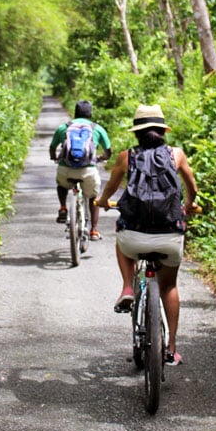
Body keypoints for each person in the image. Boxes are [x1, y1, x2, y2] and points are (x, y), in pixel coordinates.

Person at [97, 104, 198, 366]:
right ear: (163, 131)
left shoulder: (125, 157)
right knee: (169, 286)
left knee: (122, 237)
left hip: (134, 237)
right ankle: (171, 348)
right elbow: (192, 189)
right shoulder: (177, 155)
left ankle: (128, 286)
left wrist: (102, 202)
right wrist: (187, 207)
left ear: (137, 133)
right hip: (170, 236)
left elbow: (110, 188)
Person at [49, 100, 111, 241]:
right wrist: (101, 158)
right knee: (94, 196)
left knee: (62, 185)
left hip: (66, 169)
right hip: (88, 171)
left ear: (75, 112)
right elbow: (108, 152)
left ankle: (63, 207)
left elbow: (52, 147)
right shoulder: (97, 128)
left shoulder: (63, 128)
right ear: (90, 114)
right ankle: (94, 231)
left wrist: (54, 157)